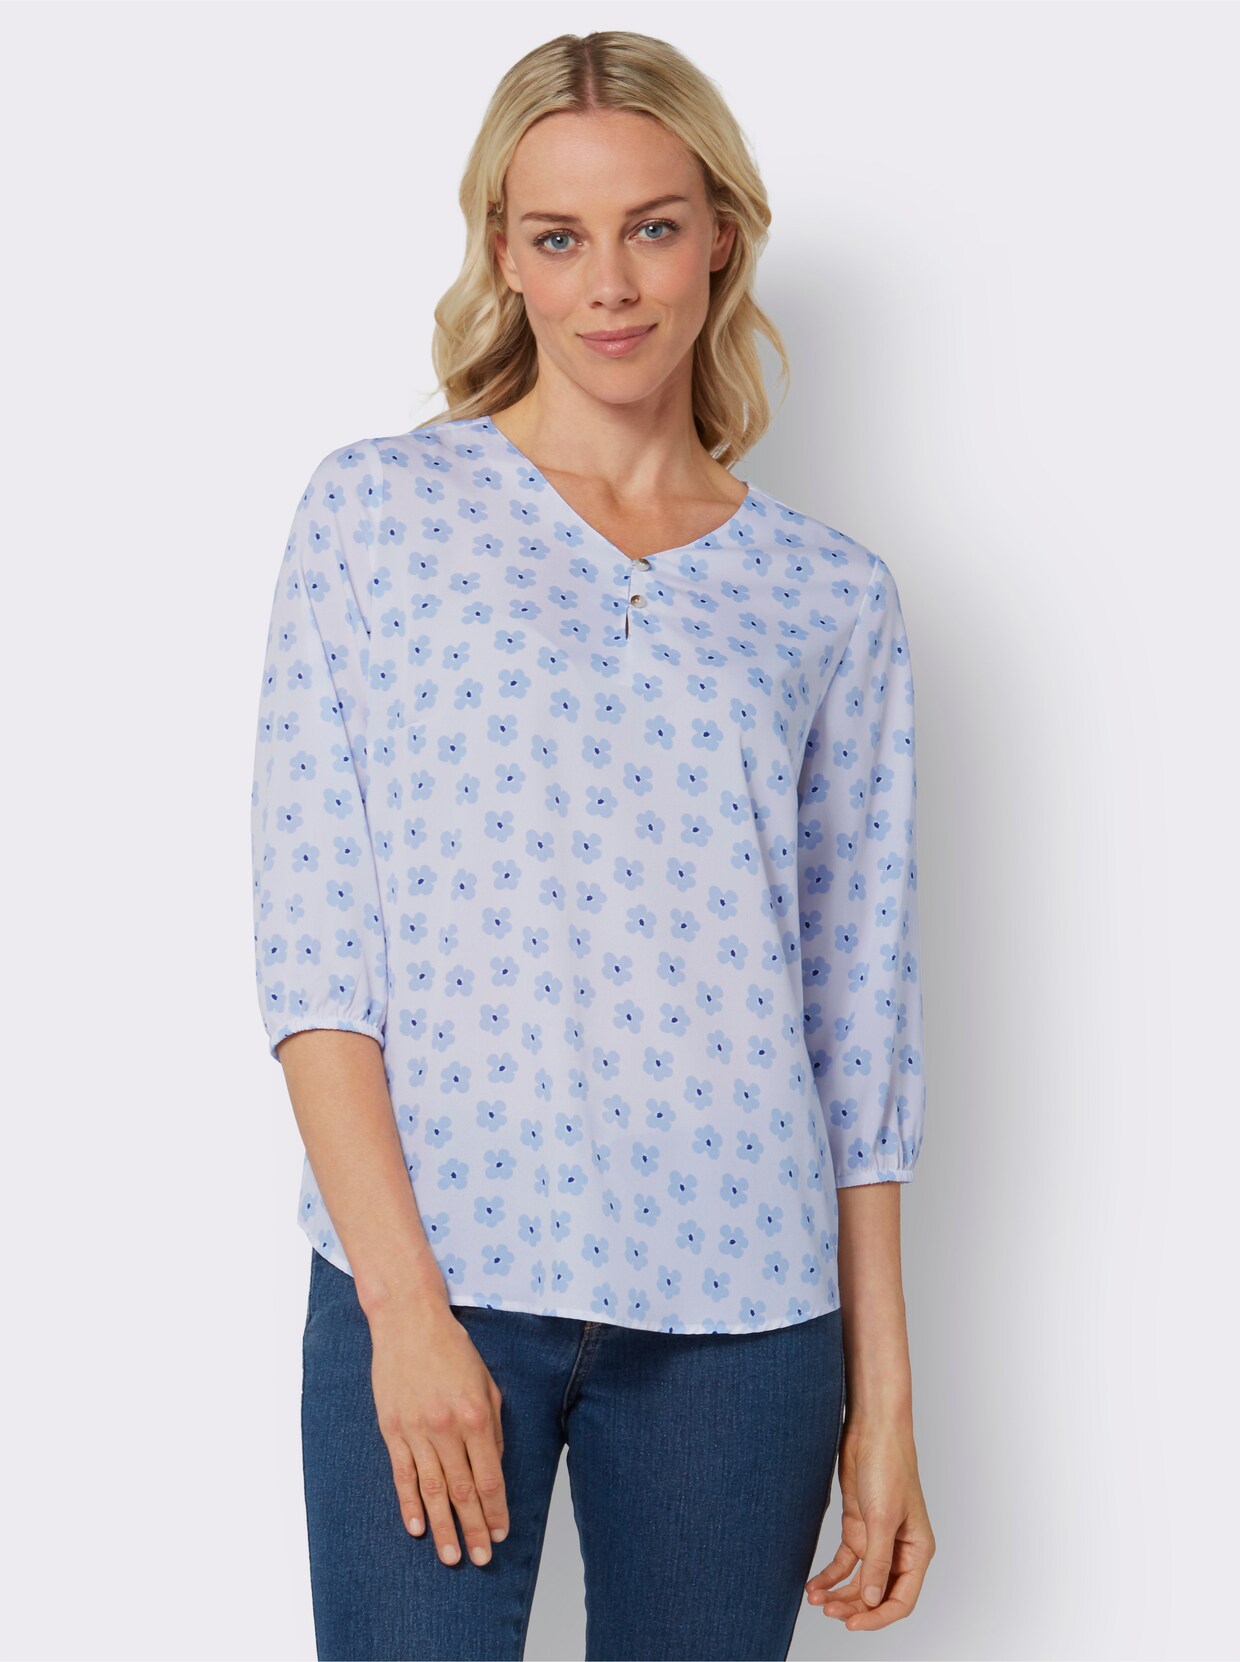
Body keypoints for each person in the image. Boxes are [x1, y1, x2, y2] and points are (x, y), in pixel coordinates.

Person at [249, 28, 935, 1662]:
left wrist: (886, 1401)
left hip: (744, 1325)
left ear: (721, 239)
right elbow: (315, 952)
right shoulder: (378, 514)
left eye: (652, 226)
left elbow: (861, 1033)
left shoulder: (829, 596)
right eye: (559, 235)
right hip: (443, 1276)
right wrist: (403, 1312)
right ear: (503, 252)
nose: (610, 283)